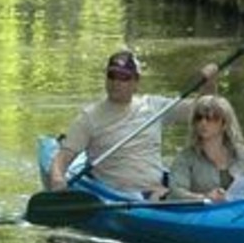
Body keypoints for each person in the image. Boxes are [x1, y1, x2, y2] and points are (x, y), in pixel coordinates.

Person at [47, 49, 218, 197]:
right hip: (119, 195)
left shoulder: (153, 106)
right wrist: (57, 180)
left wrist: (209, 84)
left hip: (158, 190)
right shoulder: (89, 117)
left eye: (124, 77)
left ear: (136, 82)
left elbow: (203, 110)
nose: (116, 82)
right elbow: (62, 160)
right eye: (112, 75)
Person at [167, 94, 244, 201]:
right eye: (199, 118)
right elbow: (176, 193)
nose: (203, 123)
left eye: (211, 118)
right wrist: (205, 197)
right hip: (203, 213)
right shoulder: (185, 158)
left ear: (224, 123)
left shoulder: (243, 153)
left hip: (242, 210)